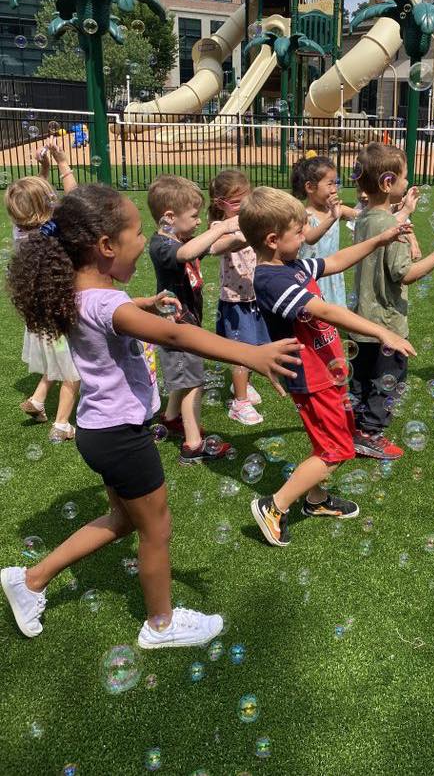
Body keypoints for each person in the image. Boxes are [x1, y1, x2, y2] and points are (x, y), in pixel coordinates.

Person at [1, 184, 300, 645]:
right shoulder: (108, 304)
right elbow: (175, 336)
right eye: (139, 233)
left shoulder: (75, 293)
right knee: (157, 529)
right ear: (106, 246)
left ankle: (30, 580)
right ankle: (161, 624)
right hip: (122, 436)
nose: (145, 241)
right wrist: (251, 354)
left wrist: (140, 303)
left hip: (98, 430)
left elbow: (107, 315)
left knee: (122, 520)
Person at [239, 186, 416, 548]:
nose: (306, 234)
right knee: (337, 449)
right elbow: (324, 310)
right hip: (311, 377)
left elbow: (335, 262)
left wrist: (379, 240)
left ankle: (316, 498)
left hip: (326, 371)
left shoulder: (291, 265)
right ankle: (275, 505)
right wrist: (382, 331)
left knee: (334, 438)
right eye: (298, 231)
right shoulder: (271, 280)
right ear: (273, 240)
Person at [350, 142, 434, 460]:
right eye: (403, 177)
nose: (407, 182)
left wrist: (404, 211)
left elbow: (384, 220)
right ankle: (371, 434)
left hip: (359, 320)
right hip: (387, 324)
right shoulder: (393, 228)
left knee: (360, 378)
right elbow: (405, 274)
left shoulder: (364, 218)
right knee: (387, 381)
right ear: (388, 183)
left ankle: (354, 428)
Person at [147, 175, 237, 464]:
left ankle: (172, 417)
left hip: (186, 324)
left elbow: (217, 247)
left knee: (184, 376)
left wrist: (245, 233)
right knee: (193, 382)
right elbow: (187, 253)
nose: (199, 221)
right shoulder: (162, 245)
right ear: (169, 217)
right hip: (177, 327)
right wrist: (221, 227)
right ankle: (193, 445)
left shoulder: (180, 238)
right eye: (195, 215)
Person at [5, 140, 79, 442]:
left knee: (56, 357)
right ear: (46, 205)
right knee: (72, 368)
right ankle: (62, 423)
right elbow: (76, 202)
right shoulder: (54, 230)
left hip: (38, 311)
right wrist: (62, 163)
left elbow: (36, 200)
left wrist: (44, 169)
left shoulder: (21, 230)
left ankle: (37, 400)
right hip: (57, 309)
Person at [208, 168, 268, 426]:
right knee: (241, 350)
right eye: (236, 202)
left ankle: (242, 386)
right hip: (235, 301)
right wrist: (243, 236)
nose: (243, 206)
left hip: (256, 296)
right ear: (219, 203)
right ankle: (239, 403)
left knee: (254, 345)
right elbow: (216, 247)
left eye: (246, 199)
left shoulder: (252, 221)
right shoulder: (218, 227)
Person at [292, 152, 358, 307]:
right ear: (310, 187)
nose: (335, 189)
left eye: (336, 183)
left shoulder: (337, 210)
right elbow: (309, 237)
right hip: (312, 276)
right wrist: (332, 217)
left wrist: (391, 209)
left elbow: (361, 216)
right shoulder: (304, 215)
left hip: (333, 274)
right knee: (316, 314)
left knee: (334, 313)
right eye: (330, 184)